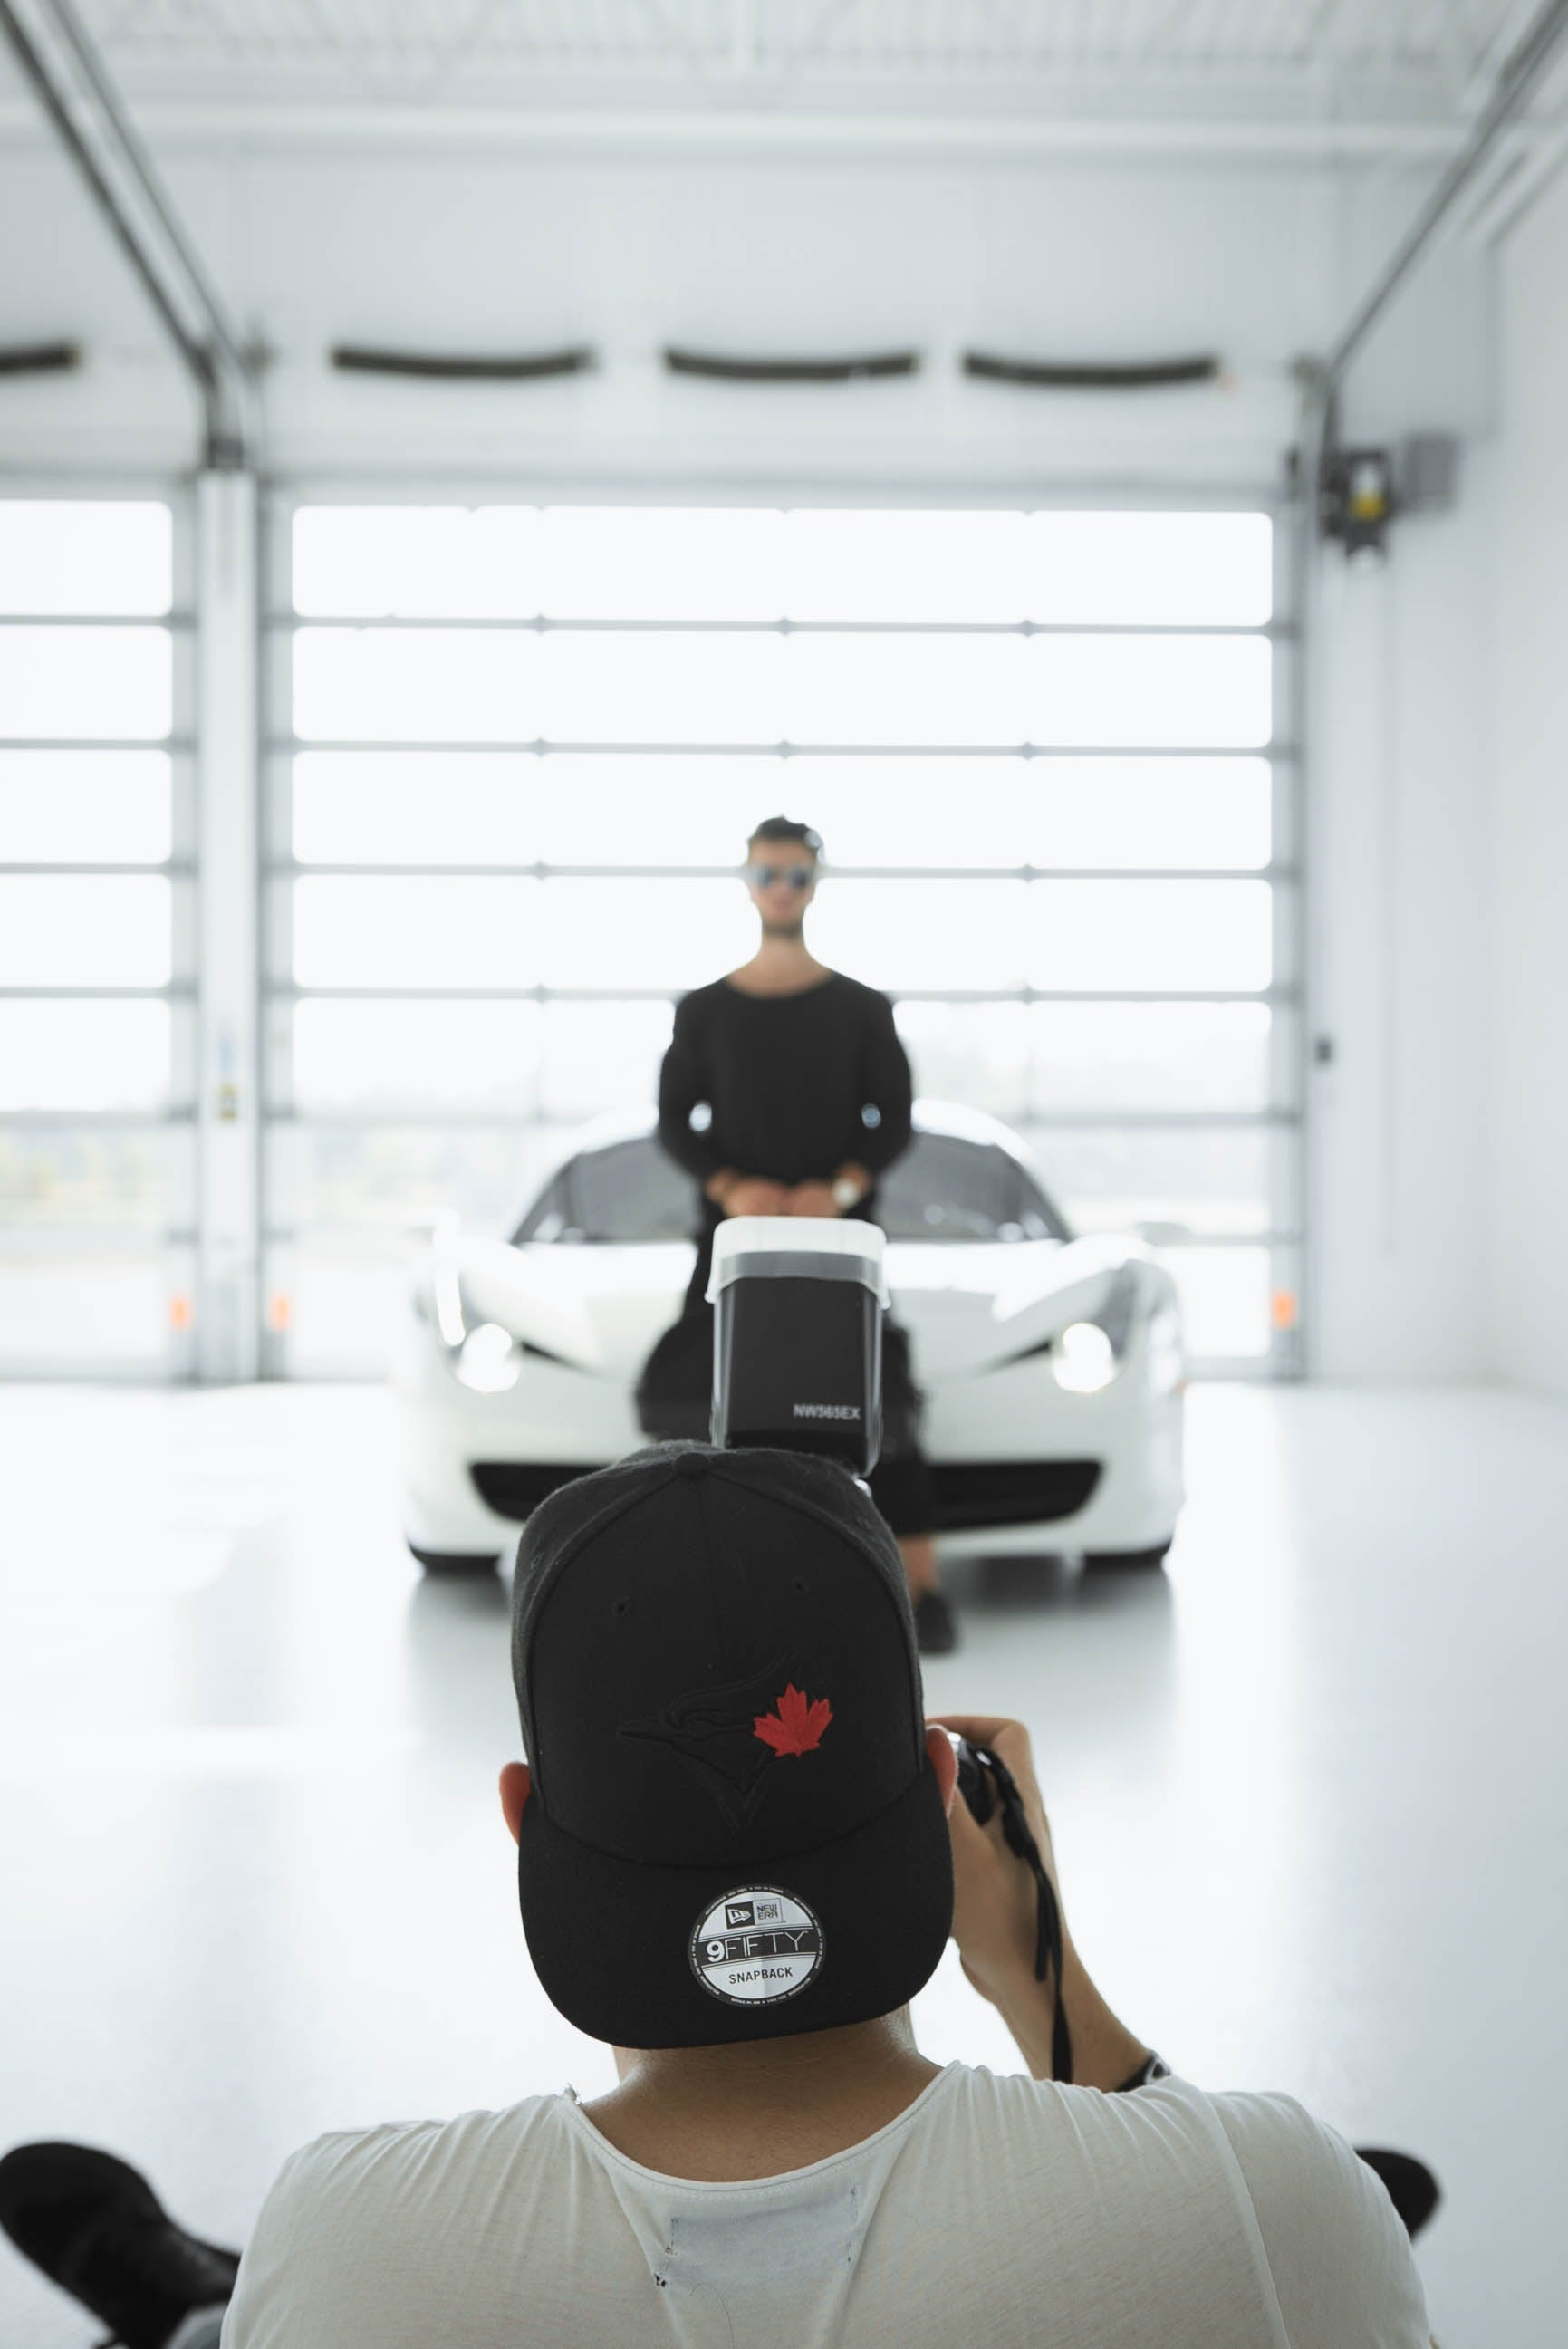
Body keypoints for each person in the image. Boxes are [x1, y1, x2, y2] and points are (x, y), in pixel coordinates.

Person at [2, 1444, 1437, 2348]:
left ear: (522, 1818)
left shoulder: (342, 2234)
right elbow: (1221, 2189)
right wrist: (1039, 1981)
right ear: (941, 1786)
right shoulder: (1274, 2200)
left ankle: (194, 2306)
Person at [644, 813, 958, 1654]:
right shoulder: (704, 1010)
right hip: (730, 1249)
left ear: (813, 885)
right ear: (747, 885)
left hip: (842, 1249)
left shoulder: (860, 1008)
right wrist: (730, 1187)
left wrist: (838, 1190)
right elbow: (673, 1122)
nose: (780, 889)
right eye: (766, 874)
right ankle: (707, 1590)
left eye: (795, 875)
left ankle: (920, 1598)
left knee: (882, 1401)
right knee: (699, 1407)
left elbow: (894, 1120)